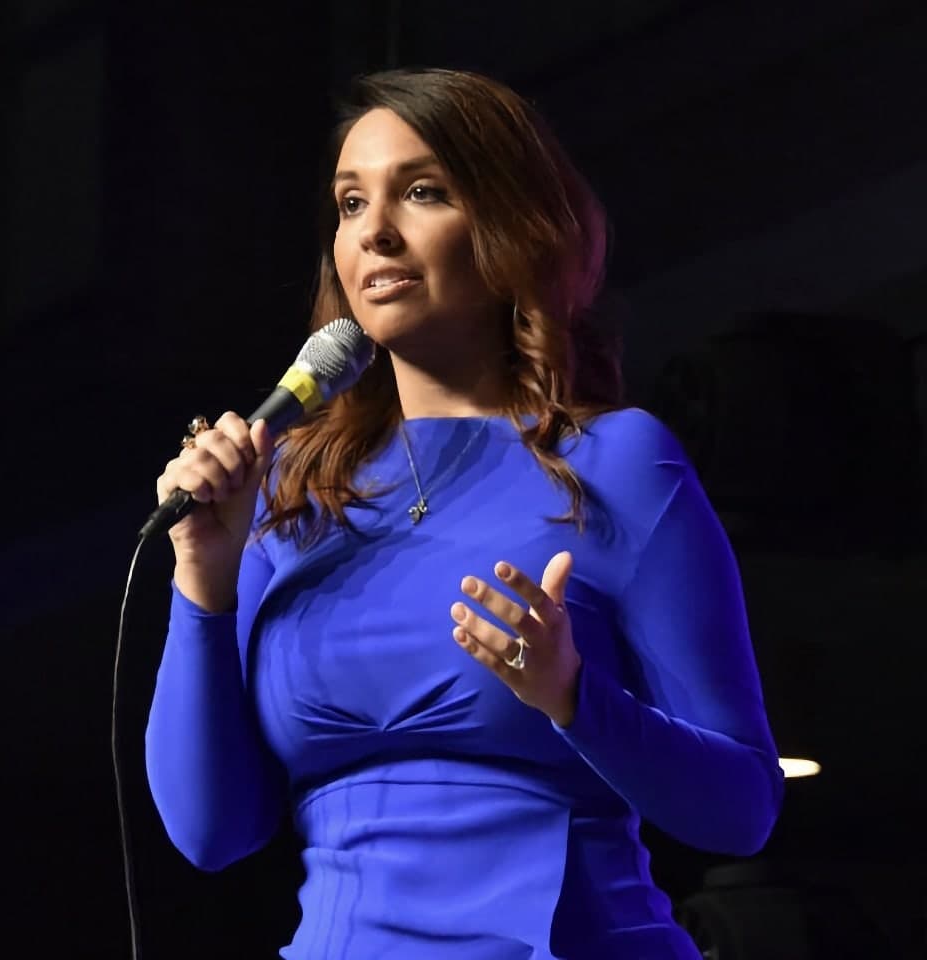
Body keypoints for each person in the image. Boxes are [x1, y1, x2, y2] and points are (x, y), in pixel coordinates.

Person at [145, 67, 783, 959]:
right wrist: (203, 582)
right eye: (351, 203)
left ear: (509, 224)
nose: (375, 230)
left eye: (422, 192)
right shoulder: (285, 488)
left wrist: (571, 696)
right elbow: (210, 834)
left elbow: (743, 810)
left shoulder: (619, 462)